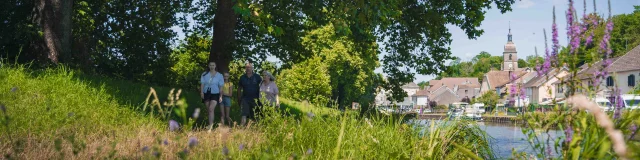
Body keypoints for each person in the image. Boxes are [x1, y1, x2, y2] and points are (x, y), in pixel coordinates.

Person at [200, 62, 224, 130]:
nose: (212, 66)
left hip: (215, 93)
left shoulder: (220, 75)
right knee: (209, 110)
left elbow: (221, 86)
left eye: (213, 65)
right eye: (210, 65)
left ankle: (210, 126)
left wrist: (220, 96)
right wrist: (201, 93)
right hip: (206, 92)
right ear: (208, 66)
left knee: (211, 109)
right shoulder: (204, 74)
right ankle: (210, 124)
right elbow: (202, 84)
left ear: (215, 66)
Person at [237, 62, 262, 126]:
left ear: (252, 68)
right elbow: (239, 88)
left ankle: (255, 130)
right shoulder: (242, 77)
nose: (248, 69)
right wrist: (239, 99)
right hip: (245, 99)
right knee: (244, 114)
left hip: (255, 99)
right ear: (245, 69)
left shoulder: (257, 76)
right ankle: (241, 129)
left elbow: (263, 86)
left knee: (254, 115)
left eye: (249, 67)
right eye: (246, 67)